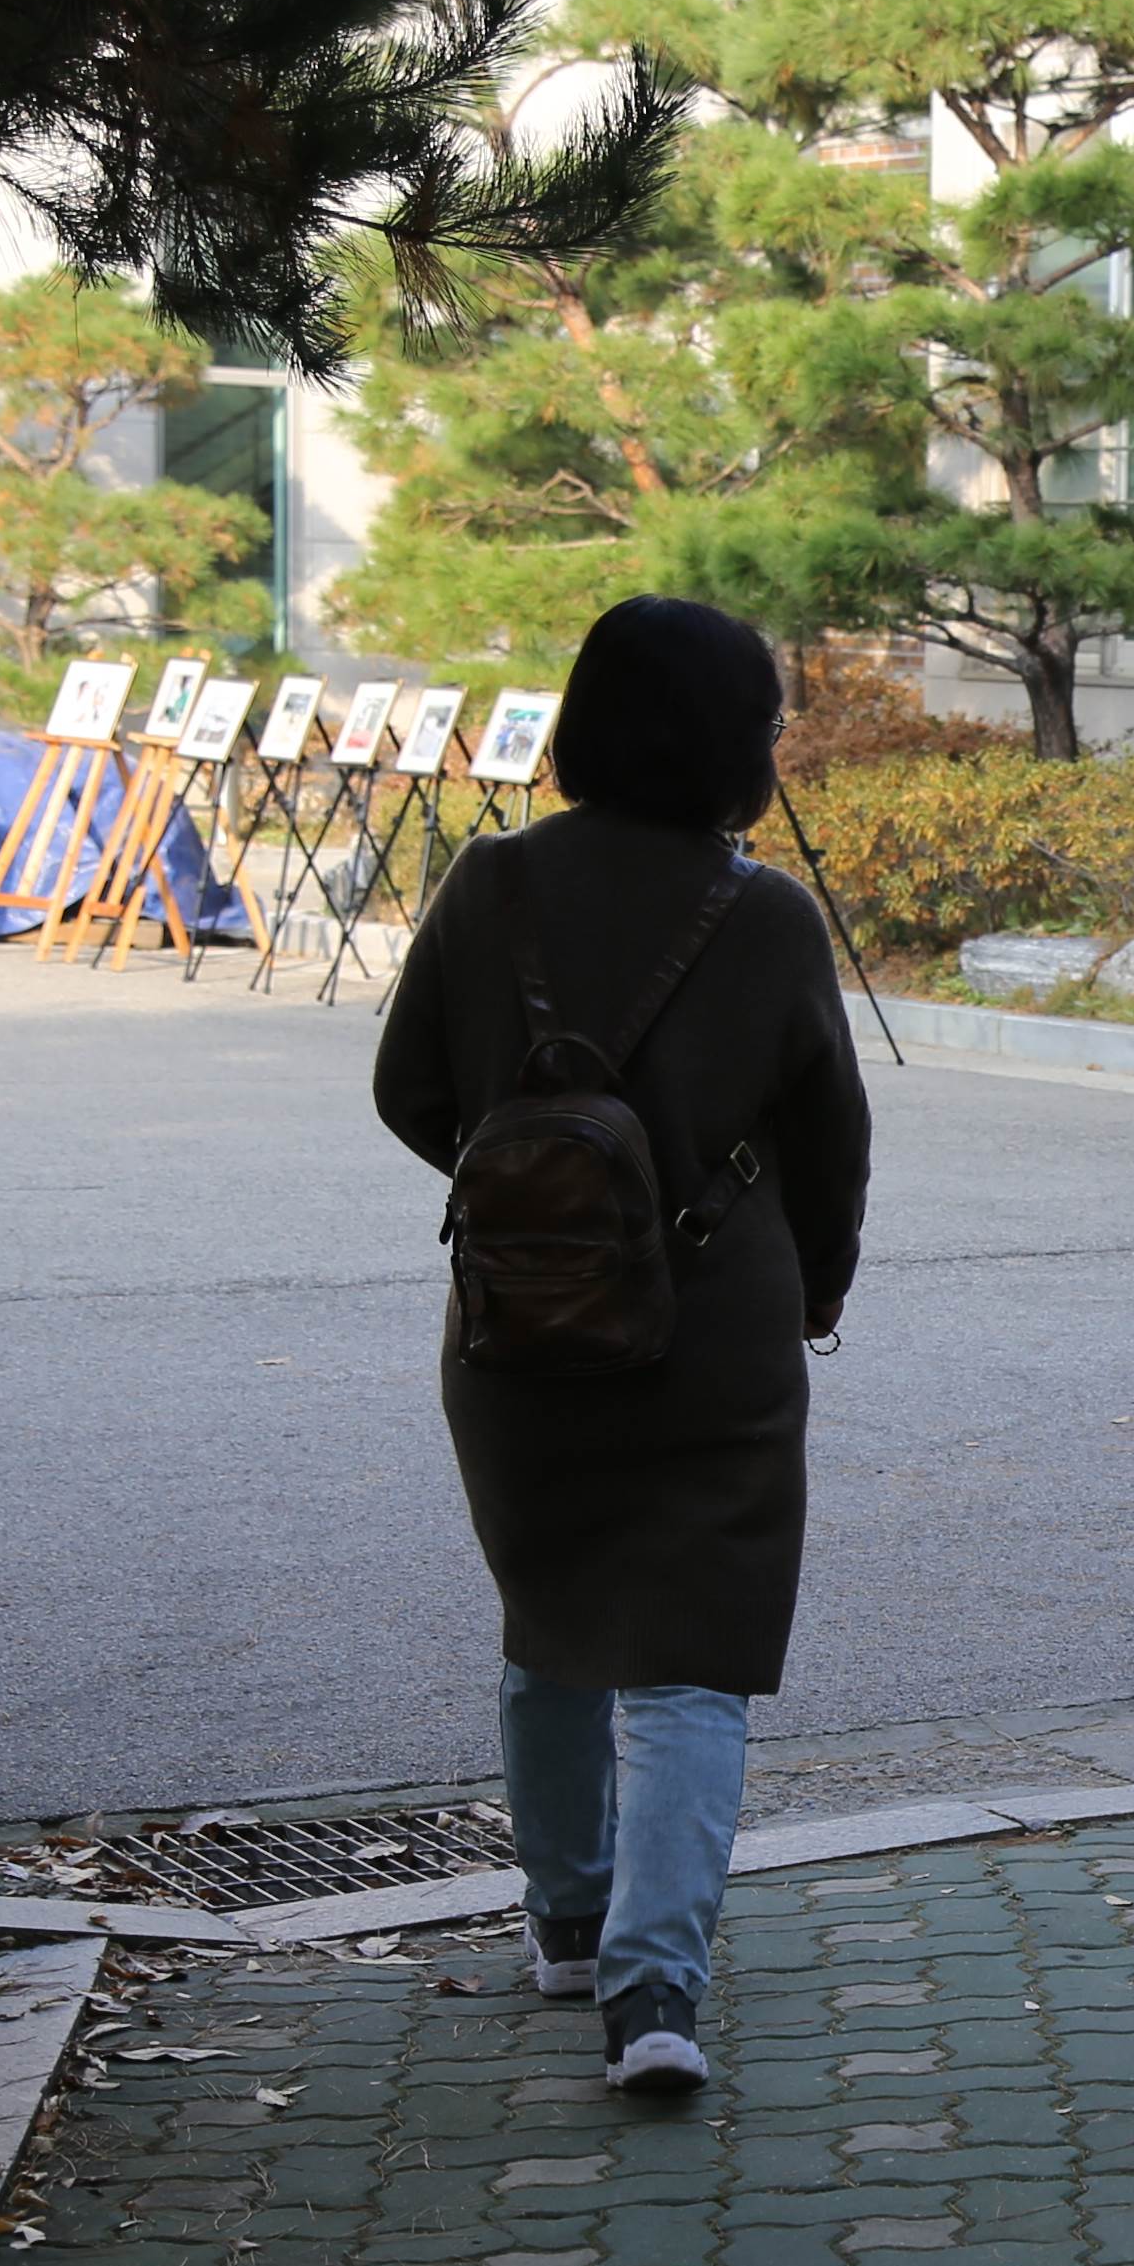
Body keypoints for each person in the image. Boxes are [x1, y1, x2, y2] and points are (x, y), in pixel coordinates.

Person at [373, 597, 872, 2097]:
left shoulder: (491, 884)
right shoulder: (767, 917)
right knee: (688, 1665)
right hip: (717, 1334)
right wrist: (815, 1288)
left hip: (519, 1326)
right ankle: (655, 1998)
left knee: (553, 1620)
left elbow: (407, 1091)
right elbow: (831, 1140)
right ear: (733, 743)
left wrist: (543, 1198)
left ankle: (570, 1926)